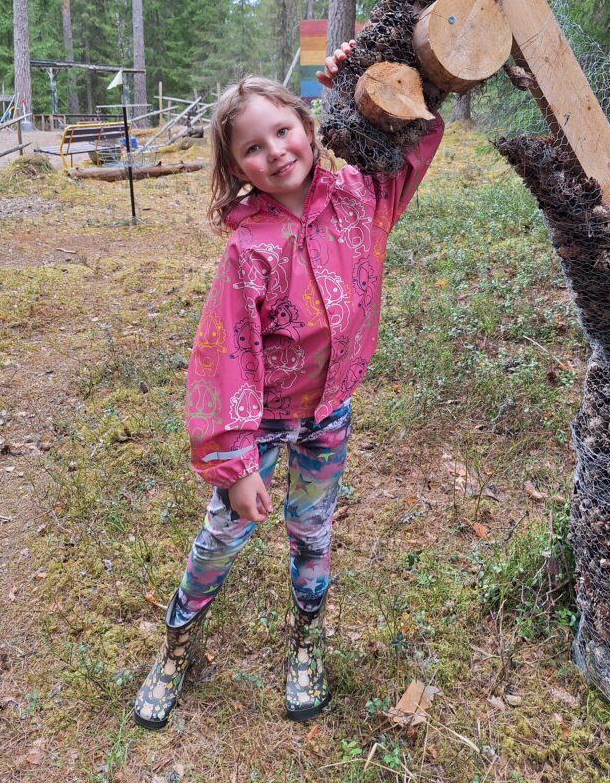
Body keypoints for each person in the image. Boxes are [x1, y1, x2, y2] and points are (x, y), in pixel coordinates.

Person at [133, 44, 444, 729]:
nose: (274, 152)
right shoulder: (250, 251)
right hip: (264, 425)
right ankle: (176, 645)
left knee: (312, 529)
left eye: (283, 130)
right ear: (235, 169)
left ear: (308, 125)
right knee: (223, 535)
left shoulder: (362, 200)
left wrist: (366, 85)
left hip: (329, 415)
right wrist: (236, 464)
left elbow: (414, 139)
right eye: (252, 148)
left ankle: (307, 639)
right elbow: (226, 362)